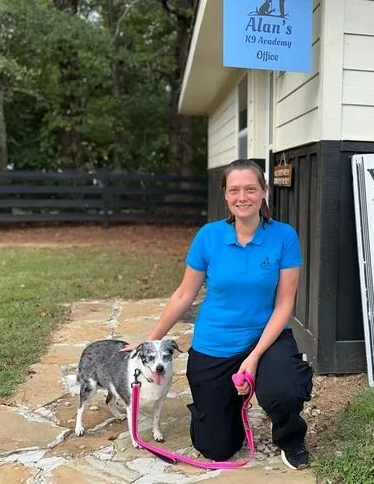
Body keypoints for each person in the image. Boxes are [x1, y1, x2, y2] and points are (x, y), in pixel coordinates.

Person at [120, 158, 313, 470]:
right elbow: (184, 294)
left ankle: (290, 437)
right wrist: (149, 340)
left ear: (263, 192)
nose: (242, 197)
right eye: (234, 190)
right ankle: (225, 405)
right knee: (217, 447)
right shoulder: (208, 237)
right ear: (225, 195)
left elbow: (284, 305)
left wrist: (253, 360)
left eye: (250, 189)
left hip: (264, 338)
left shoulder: (284, 236)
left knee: (284, 389)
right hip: (216, 344)